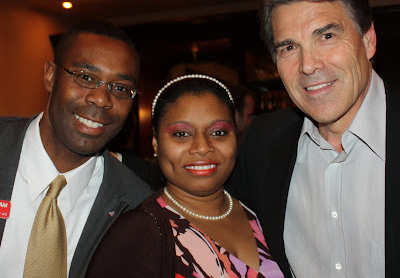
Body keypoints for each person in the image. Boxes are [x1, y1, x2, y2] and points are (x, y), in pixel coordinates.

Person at [228, 0, 400, 277]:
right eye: (289, 47)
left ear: (369, 40)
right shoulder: (260, 144)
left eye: (327, 36)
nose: (308, 66)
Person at [86, 74, 284, 277]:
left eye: (218, 132)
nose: (202, 147)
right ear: (155, 143)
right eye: (182, 134)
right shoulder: (138, 235)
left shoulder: (264, 212)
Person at [0, 21, 152, 278]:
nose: (102, 99)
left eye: (121, 88)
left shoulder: (137, 207)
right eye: (86, 77)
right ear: (50, 75)